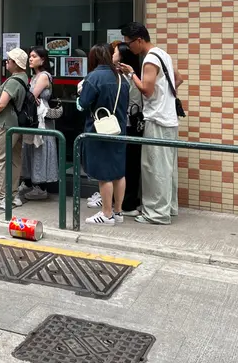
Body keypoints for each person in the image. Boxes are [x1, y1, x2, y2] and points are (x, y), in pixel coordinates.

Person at [120, 22, 184, 225]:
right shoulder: (163, 54)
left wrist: (132, 74)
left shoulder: (149, 59)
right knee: (167, 167)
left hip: (157, 119)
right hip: (169, 118)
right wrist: (164, 97)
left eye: (129, 43)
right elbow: (179, 79)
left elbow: (147, 91)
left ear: (139, 40)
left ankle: (156, 214)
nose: (129, 47)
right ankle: (168, 208)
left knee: (154, 168)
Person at [78, 43, 129, 226]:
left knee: (104, 174)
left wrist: (80, 94)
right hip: (119, 129)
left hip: (99, 131)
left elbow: (83, 104)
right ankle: (118, 211)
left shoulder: (94, 77)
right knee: (118, 173)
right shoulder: (121, 77)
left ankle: (106, 214)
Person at [0, 47, 29, 210]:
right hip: (17, 125)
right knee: (15, 159)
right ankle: (13, 195)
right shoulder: (24, 78)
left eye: (9, 60)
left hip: (5, 125)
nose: (6, 62)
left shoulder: (13, 81)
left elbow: (2, 103)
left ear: (15, 63)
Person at [19, 47, 57, 201]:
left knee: (40, 148)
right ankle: (30, 182)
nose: (30, 59)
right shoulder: (35, 76)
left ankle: (41, 187)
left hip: (42, 119)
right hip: (34, 117)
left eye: (34, 56)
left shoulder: (43, 76)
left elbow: (31, 96)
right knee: (31, 149)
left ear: (42, 60)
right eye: (30, 56)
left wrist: (29, 95)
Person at [113, 42, 143, 215]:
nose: (112, 55)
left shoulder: (126, 78)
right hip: (134, 123)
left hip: (128, 124)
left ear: (122, 58)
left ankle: (127, 203)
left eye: (115, 52)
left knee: (128, 165)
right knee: (131, 164)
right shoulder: (133, 75)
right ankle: (128, 201)